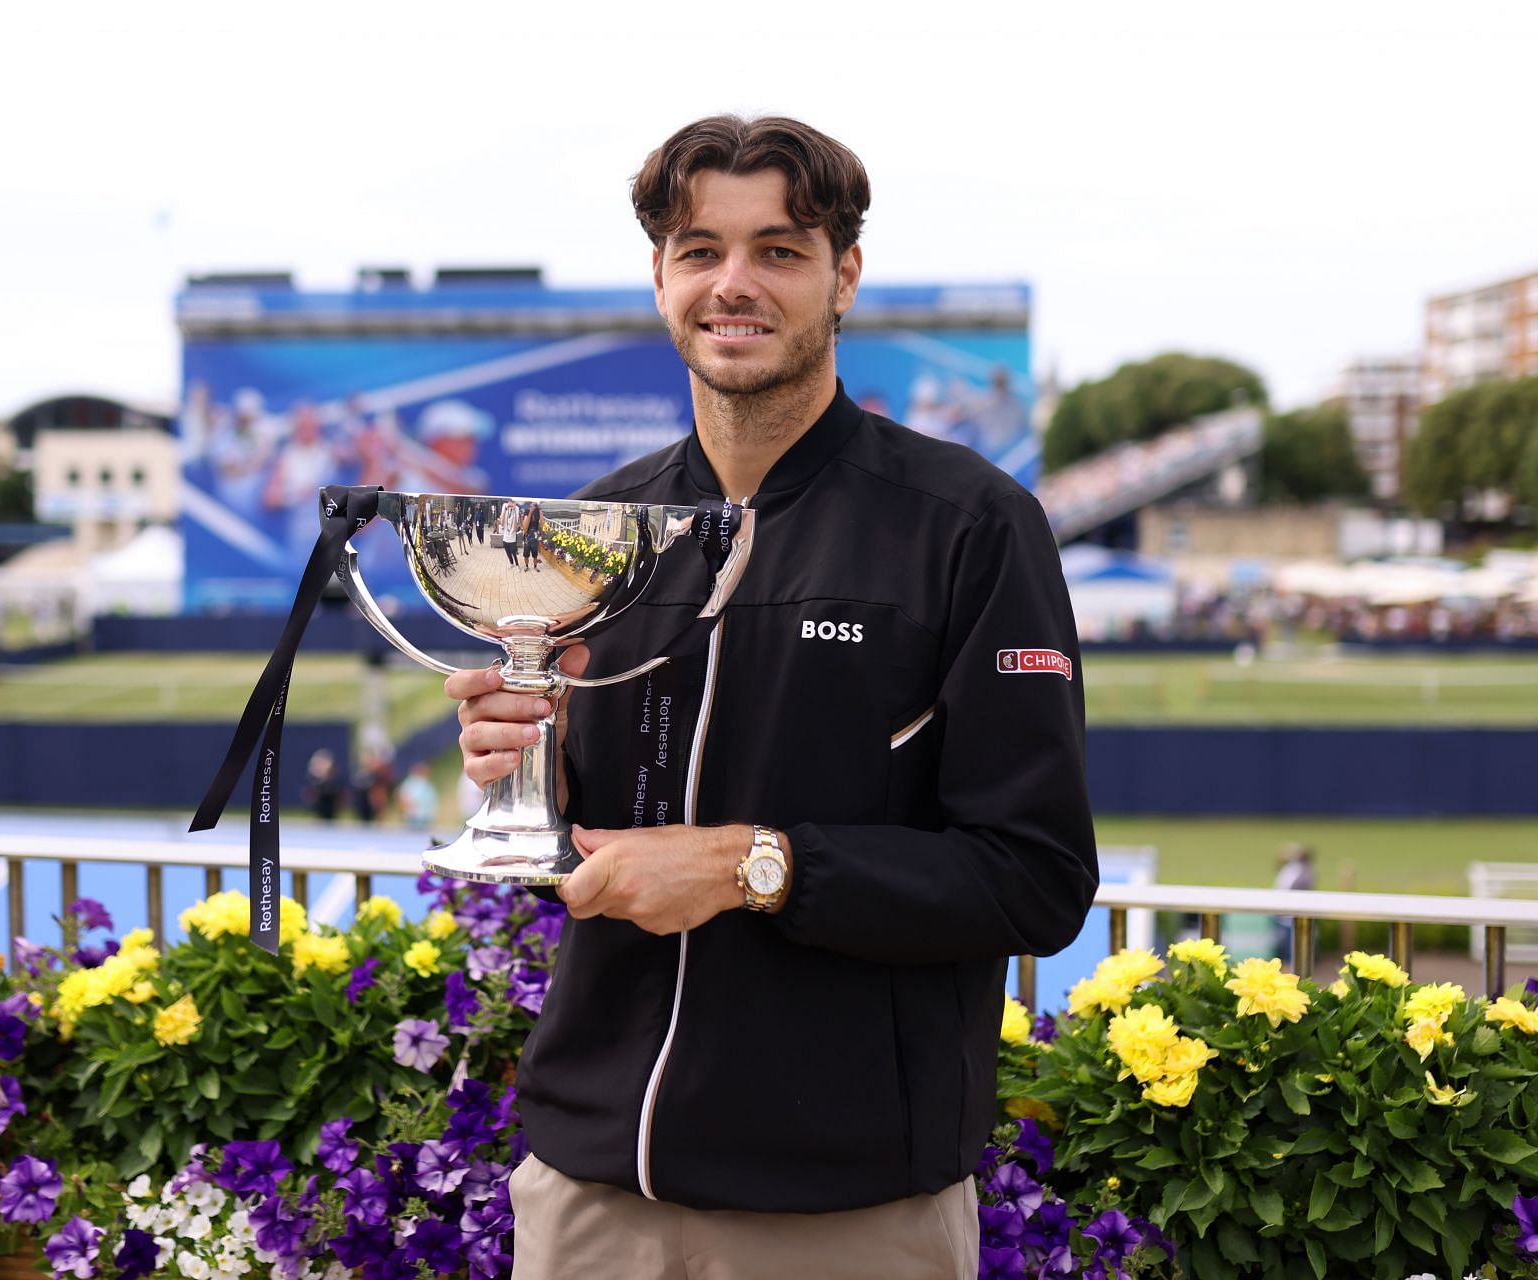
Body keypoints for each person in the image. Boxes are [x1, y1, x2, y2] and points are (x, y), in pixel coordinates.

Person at [445, 115, 1097, 1280]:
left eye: (779, 250)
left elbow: (1036, 876)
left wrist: (760, 862)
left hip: (841, 1210)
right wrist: (512, 758)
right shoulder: (597, 531)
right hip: (589, 1192)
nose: (732, 283)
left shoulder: (971, 525)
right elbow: (583, 843)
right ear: (660, 277)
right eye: (700, 250)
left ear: (844, 274)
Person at [1271, 842, 1316, 962]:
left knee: (1293, 945)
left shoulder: (1305, 870)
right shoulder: (1290, 868)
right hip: (1283, 913)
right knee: (1282, 944)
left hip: (1293, 914)